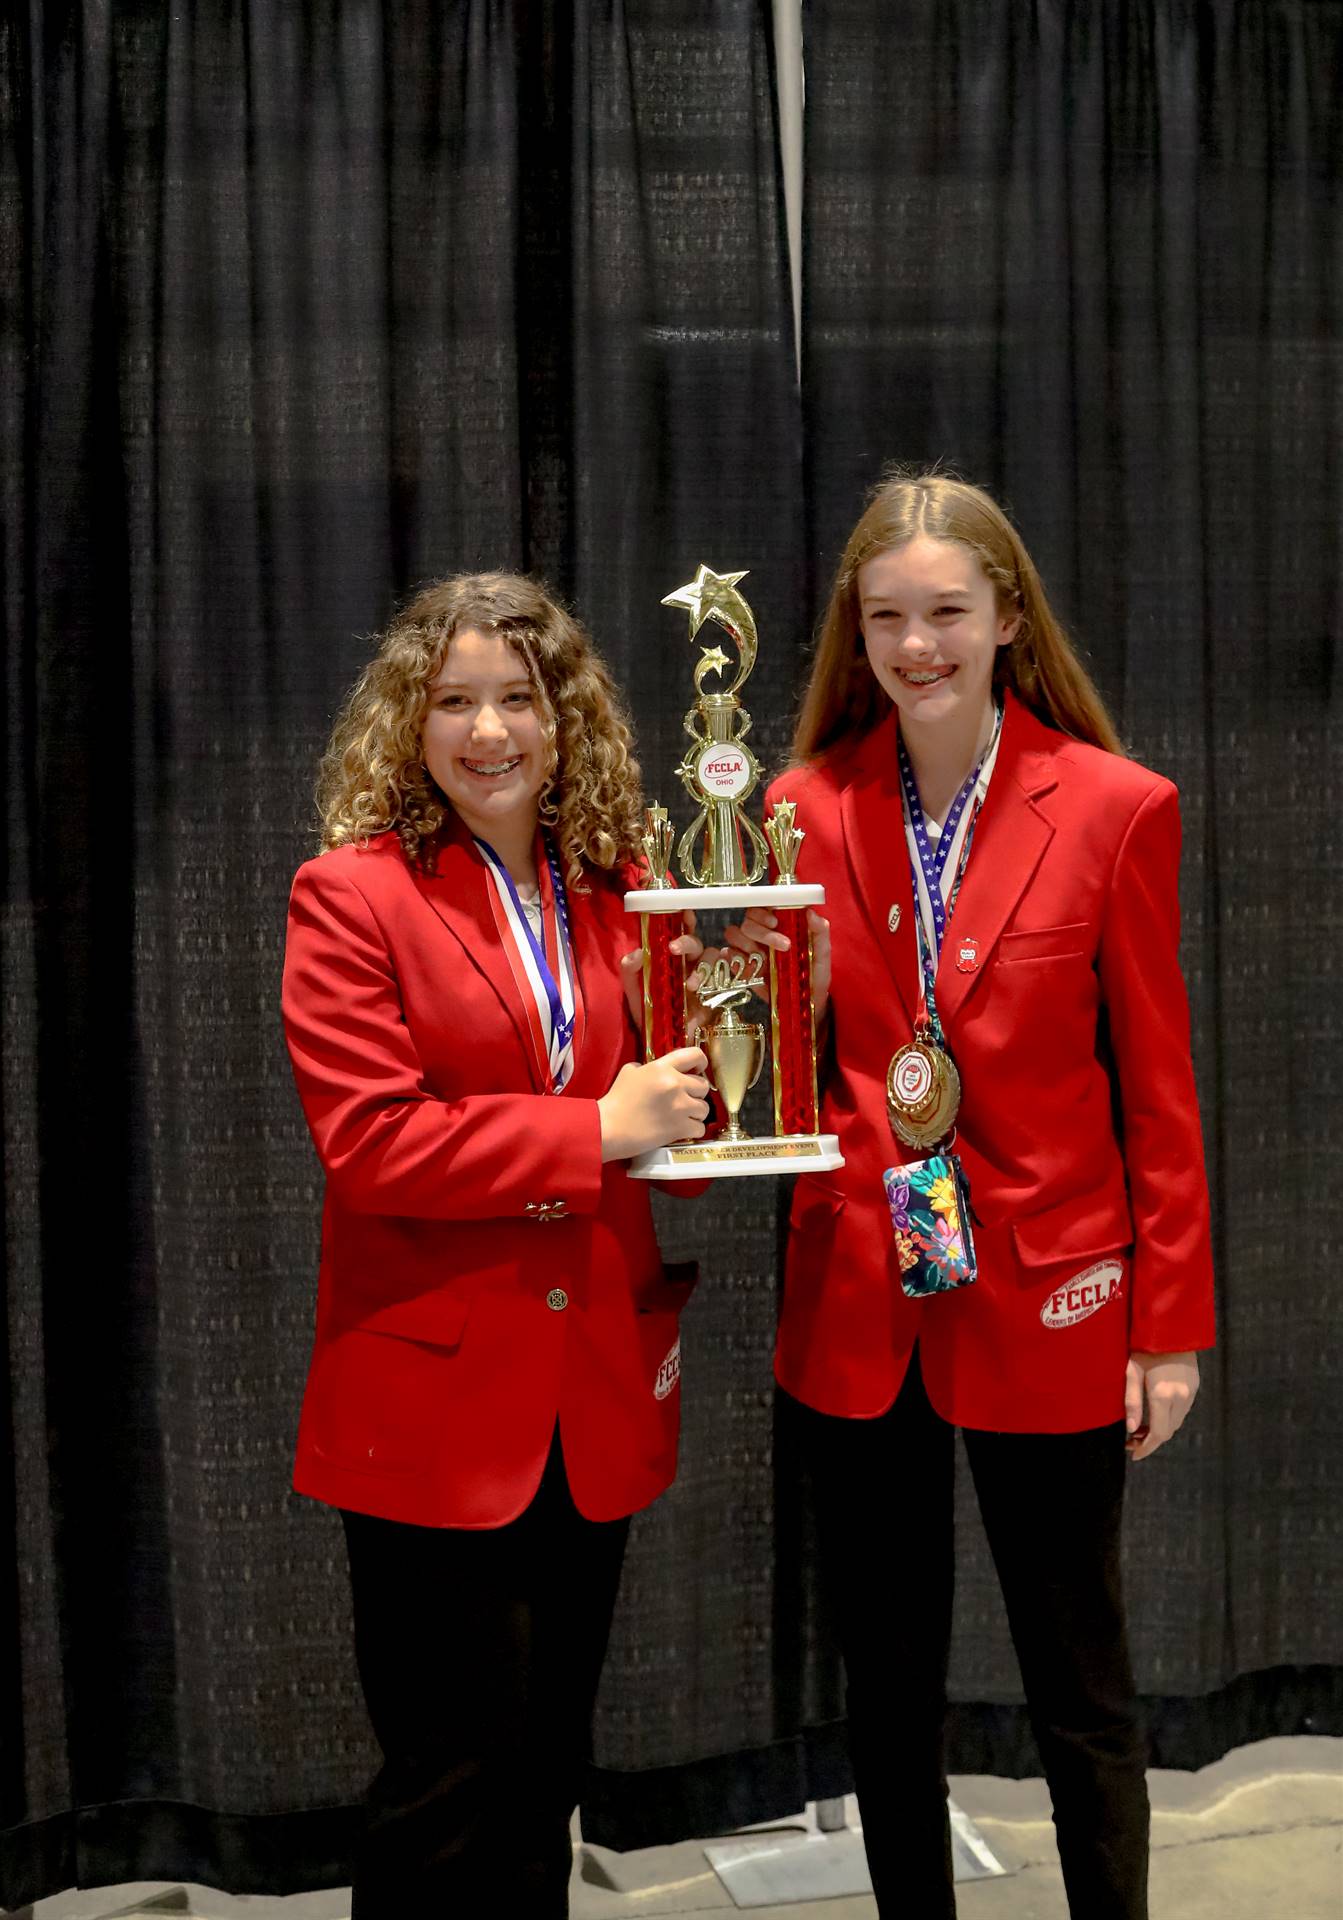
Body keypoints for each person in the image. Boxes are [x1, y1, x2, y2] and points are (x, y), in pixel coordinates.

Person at [724, 473, 1215, 1920]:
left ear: (1008, 617)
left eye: (947, 611)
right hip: (861, 1295)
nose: (917, 642)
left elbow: (1160, 1096)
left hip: (1055, 1288)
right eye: (887, 616)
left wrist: (1166, 1327)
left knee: (1080, 1683)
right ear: (852, 632)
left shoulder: (1119, 808)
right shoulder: (798, 809)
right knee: (885, 1682)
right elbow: (781, 1056)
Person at [281, 572, 711, 1918]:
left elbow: (678, 1134)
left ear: (562, 715)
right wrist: (594, 1130)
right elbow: (374, 1144)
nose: (488, 730)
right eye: (454, 700)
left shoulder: (621, 889)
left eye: (517, 698)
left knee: (544, 1781)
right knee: (445, 1791)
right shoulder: (349, 895)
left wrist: (723, 1061)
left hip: (588, 1395)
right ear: (408, 724)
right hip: (432, 1409)